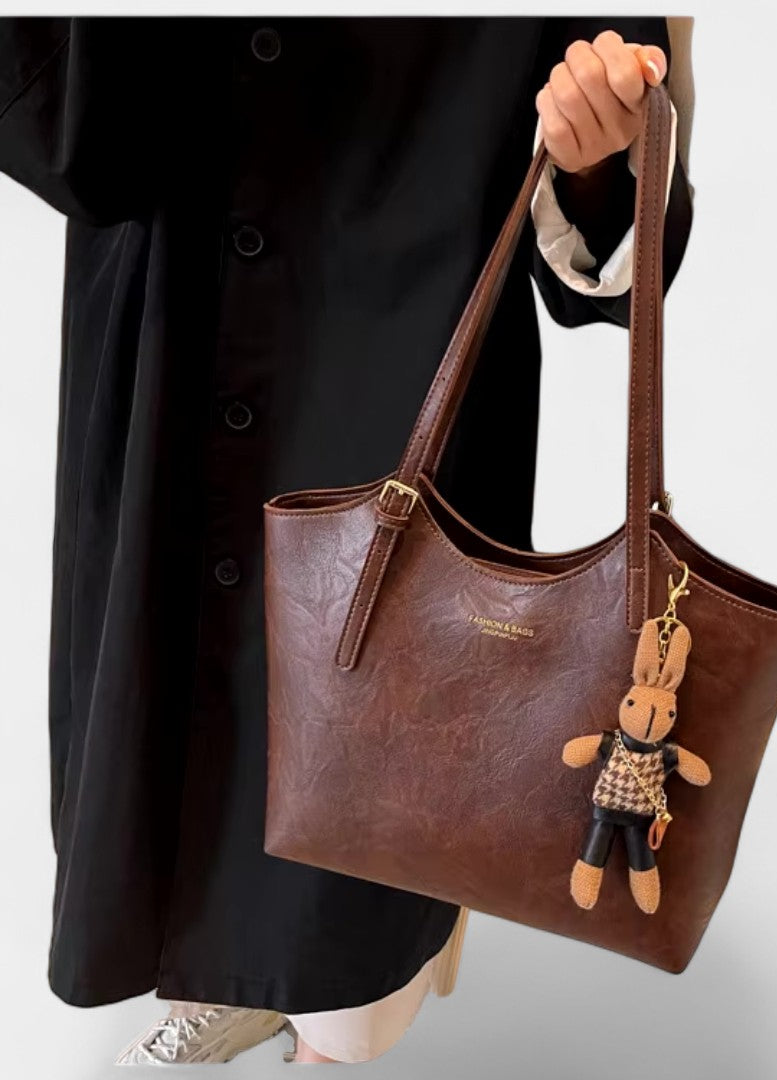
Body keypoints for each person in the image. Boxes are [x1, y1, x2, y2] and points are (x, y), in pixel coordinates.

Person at [0, 15, 695, 1064]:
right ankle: (236, 975)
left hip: (403, 354)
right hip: (172, 333)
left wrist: (598, 153)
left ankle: (337, 1016)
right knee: (174, 710)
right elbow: (75, 146)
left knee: (372, 767)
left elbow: (614, 236)